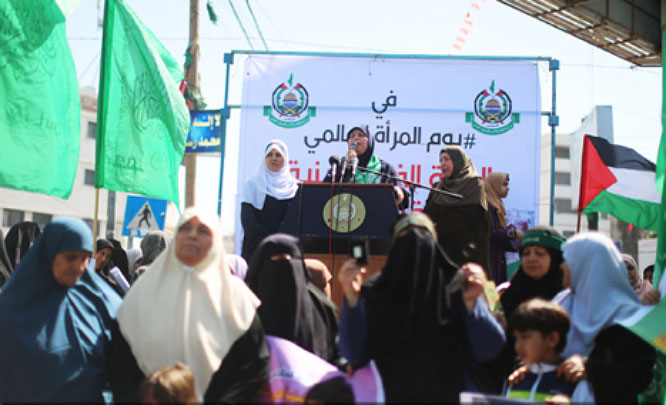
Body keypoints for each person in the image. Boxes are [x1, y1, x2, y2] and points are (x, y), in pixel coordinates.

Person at [337, 212, 505, 401]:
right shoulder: (374, 291)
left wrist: (472, 305)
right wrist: (351, 298)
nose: (415, 241)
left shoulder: (460, 287)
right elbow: (353, 353)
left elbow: (489, 349)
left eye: (422, 233)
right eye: (406, 234)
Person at [108, 207, 270, 402]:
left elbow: (255, 365)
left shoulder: (235, 297)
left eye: (202, 231)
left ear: (215, 241)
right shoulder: (144, 290)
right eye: (185, 229)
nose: (192, 235)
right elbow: (119, 357)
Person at [0, 217, 121, 402]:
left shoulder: (100, 301)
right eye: (70, 257)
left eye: (84, 258)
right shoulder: (14, 305)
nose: (79, 266)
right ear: (50, 253)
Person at [540, 233, 655, 403]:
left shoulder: (627, 316)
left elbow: (638, 376)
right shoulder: (560, 303)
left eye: (569, 261)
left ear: (588, 266)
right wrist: (530, 370)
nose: (562, 266)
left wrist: (589, 369)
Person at [245, 234, 342, 367]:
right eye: (277, 259)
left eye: (294, 259)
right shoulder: (243, 311)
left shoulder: (322, 309)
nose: (288, 266)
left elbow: (335, 355)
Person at [423, 146, 491, 274]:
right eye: (440, 160)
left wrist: (437, 229)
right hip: (442, 254)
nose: (442, 164)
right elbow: (428, 212)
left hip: (467, 255)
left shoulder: (474, 183)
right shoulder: (438, 187)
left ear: (459, 161)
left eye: (447, 159)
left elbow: (468, 215)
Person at [504, 298, 576, 401]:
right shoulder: (515, 380)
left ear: (552, 339)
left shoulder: (572, 382)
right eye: (516, 338)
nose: (518, 345)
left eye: (525, 337)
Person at [322, 126, 409, 209]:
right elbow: (324, 192)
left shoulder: (384, 168)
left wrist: (399, 192)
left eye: (360, 135)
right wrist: (345, 166)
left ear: (370, 141)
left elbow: (403, 201)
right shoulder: (341, 167)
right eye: (352, 136)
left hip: (379, 217)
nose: (356, 138)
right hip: (347, 217)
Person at [240, 139, 299, 261]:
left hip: (285, 250)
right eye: (269, 155)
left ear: (285, 159)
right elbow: (248, 220)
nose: (273, 158)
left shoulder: (294, 188)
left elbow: (295, 221)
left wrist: (280, 242)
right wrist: (268, 241)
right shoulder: (252, 184)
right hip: (257, 249)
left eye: (278, 155)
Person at [484, 172, 522, 284]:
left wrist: (517, 244)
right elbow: (488, 233)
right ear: (494, 185)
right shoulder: (487, 206)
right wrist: (512, 233)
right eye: (504, 185)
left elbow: (499, 239)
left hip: (497, 261)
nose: (508, 188)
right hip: (490, 262)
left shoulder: (497, 204)